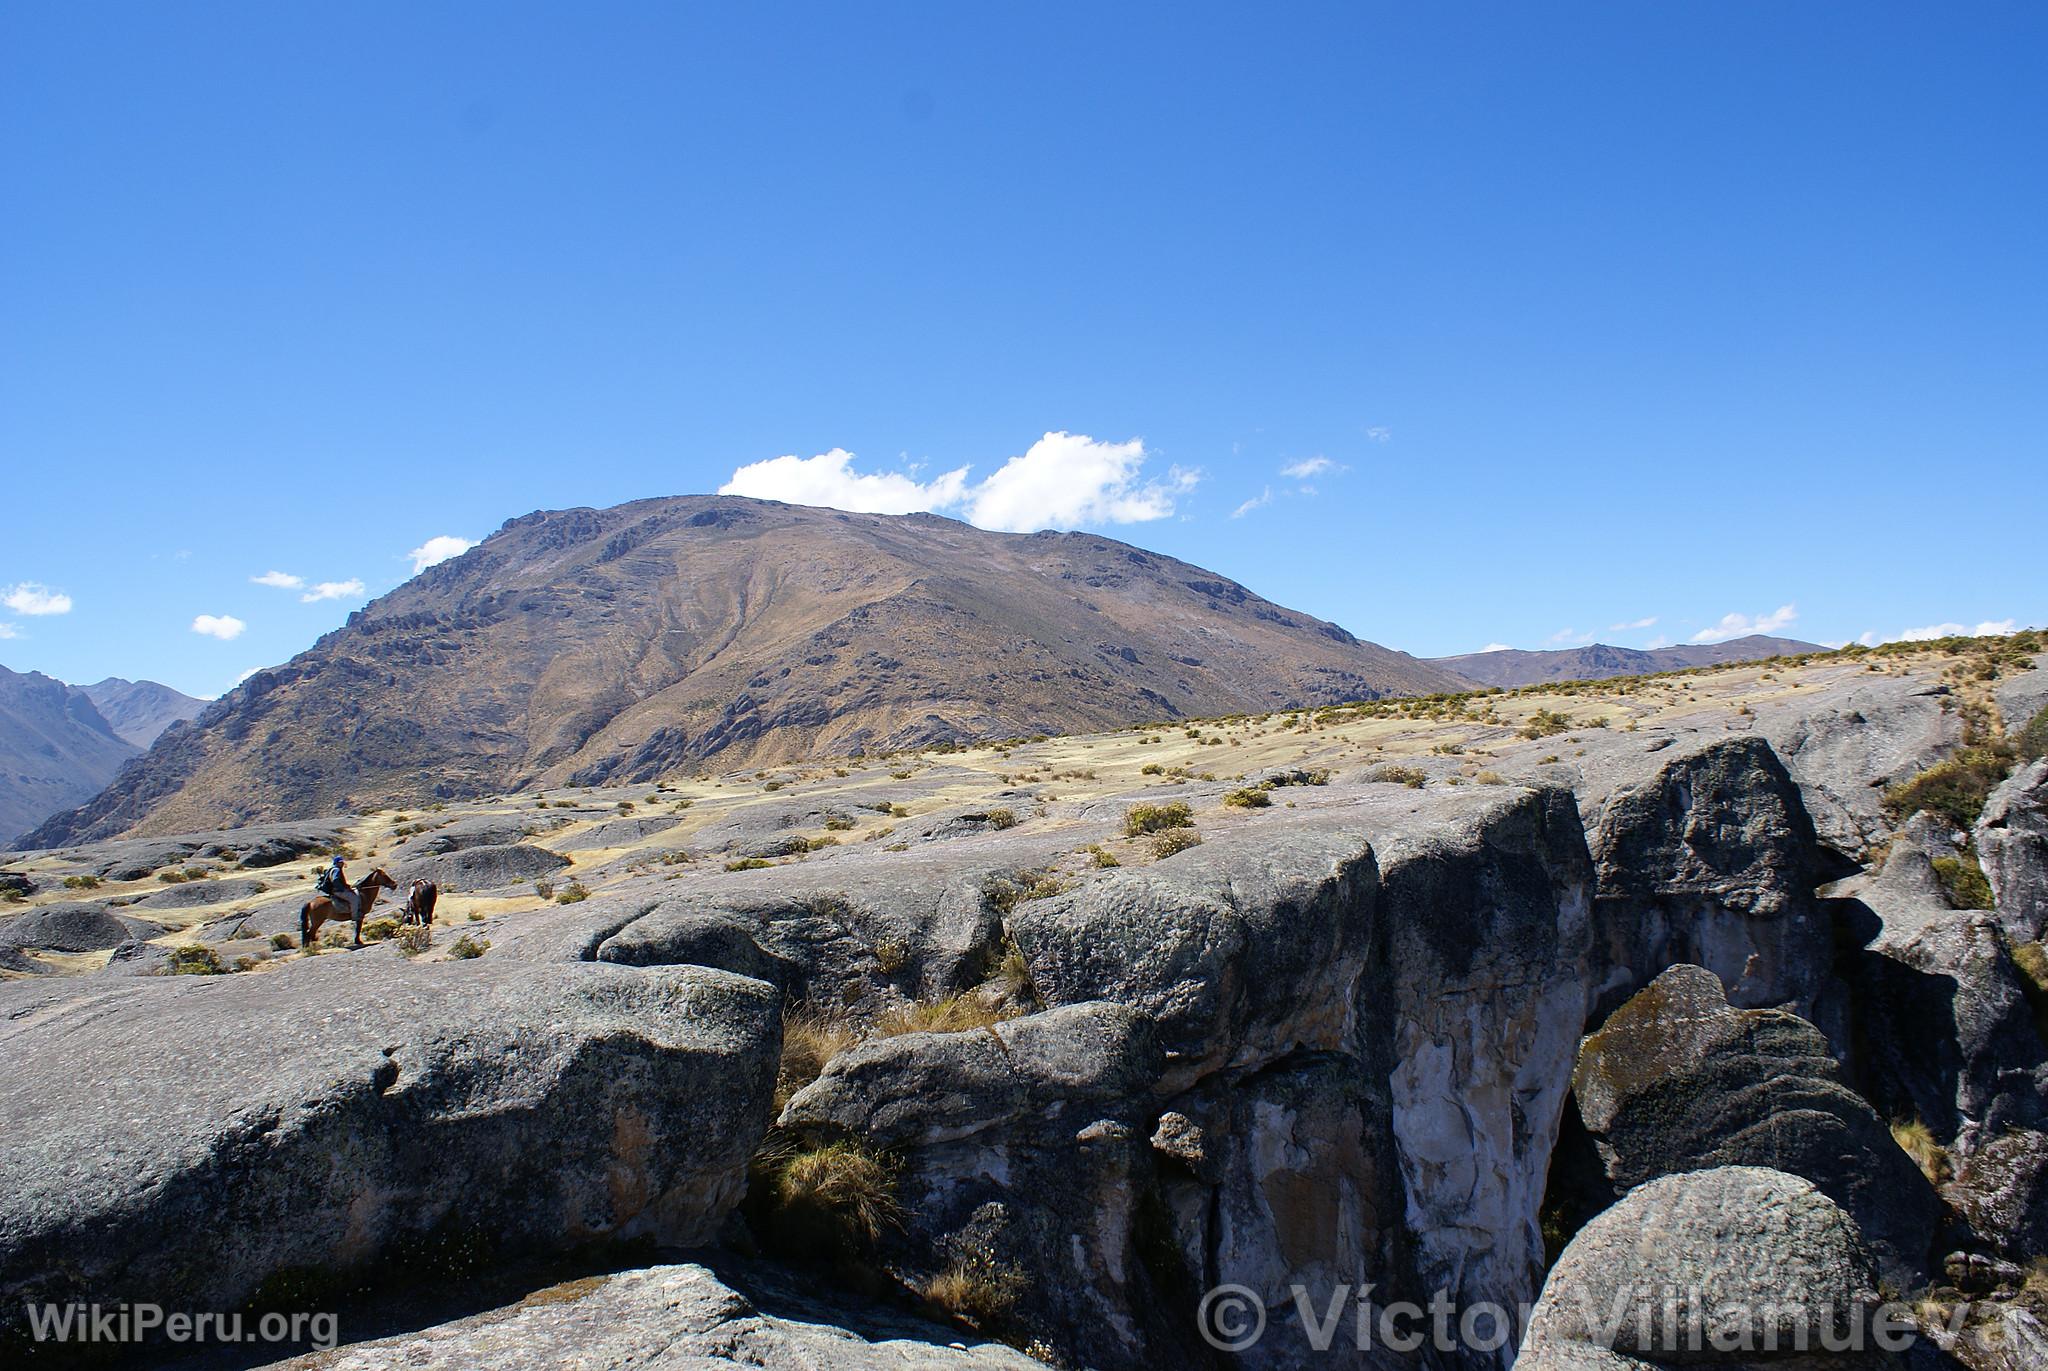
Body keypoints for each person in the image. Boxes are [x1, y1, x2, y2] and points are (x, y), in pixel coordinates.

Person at [320, 854, 359, 923]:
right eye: (340, 862)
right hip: (338, 891)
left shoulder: (333, 869)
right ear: (336, 863)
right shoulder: (336, 870)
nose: (342, 864)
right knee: (354, 898)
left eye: (342, 862)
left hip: (335, 890)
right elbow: (335, 880)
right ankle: (355, 916)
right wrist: (342, 888)